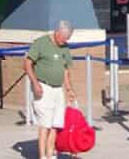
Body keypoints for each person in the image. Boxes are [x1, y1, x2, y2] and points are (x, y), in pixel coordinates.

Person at [25, 20, 76, 159]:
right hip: (43, 87)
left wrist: (69, 89)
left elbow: (65, 70)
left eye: (67, 39)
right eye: (63, 38)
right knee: (45, 125)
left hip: (58, 89)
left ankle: (50, 154)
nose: (64, 41)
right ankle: (42, 156)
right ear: (57, 32)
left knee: (55, 124)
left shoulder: (65, 47)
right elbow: (28, 64)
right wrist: (35, 83)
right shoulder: (41, 43)